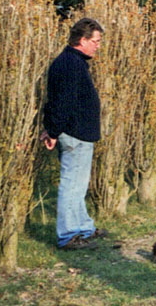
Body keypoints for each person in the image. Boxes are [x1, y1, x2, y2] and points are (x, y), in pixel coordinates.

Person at [39, 18, 108, 250]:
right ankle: (68, 234)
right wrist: (53, 131)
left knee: (79, 184)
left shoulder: (73, 62)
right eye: (95, 41)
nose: (98, 45)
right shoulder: (70, 64)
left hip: (79, 133)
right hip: (74, 133)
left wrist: (52, 128)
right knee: (72, 184)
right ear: (82, 40)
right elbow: (62, 103)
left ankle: (84, 228)